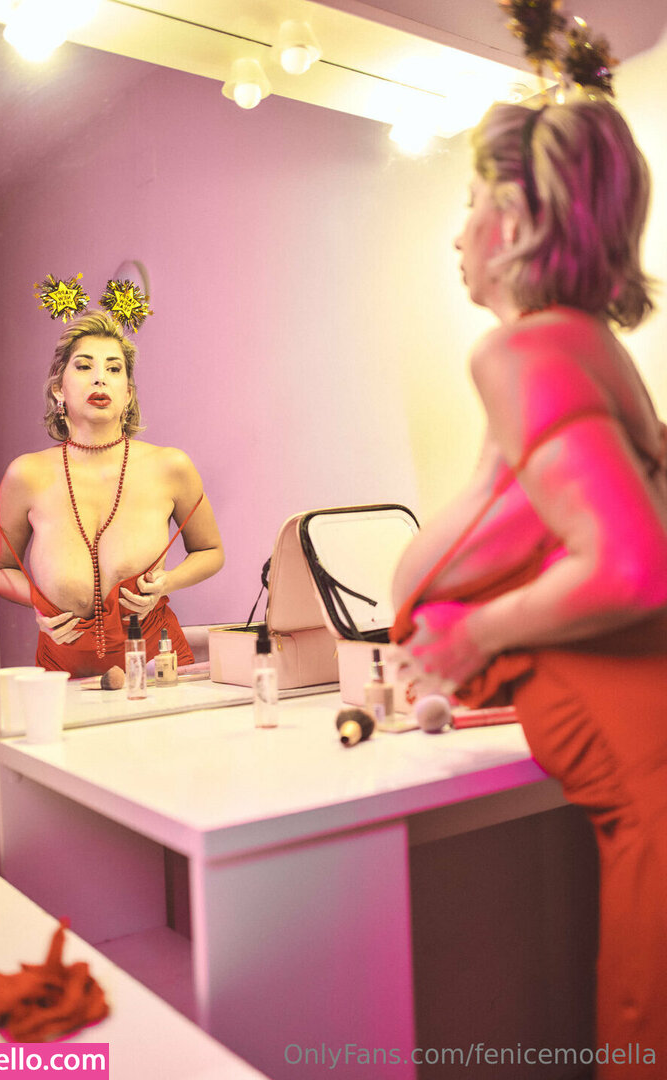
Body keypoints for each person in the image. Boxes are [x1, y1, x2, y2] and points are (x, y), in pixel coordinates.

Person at [391, 98, 667, 1076]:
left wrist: (476, 634)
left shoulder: (524, 351)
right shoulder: (585, 348)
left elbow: (633, 564)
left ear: (511, 218)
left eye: (469, 201)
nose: (456, 232)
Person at [0, 310, 224, 678]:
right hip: (61, 676)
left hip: (158, 671)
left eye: (114, 369)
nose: (100, 377)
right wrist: (38, 605)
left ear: (128, 393)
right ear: (58, 389)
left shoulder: (170, 466)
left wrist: (167, 582)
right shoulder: (26, 474)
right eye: (84, 366)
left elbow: (210, 551)